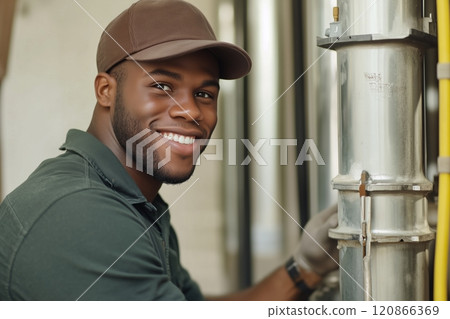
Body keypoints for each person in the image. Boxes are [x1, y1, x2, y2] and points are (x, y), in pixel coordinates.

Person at [0, 0, 338, 301]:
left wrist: (305, 265)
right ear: (105, 90)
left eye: (205, 94)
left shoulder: (134, 200)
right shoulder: (79, 215)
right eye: (162, 86)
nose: (190, 111)